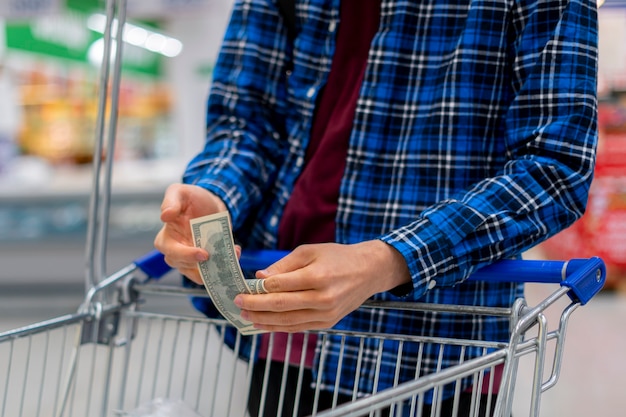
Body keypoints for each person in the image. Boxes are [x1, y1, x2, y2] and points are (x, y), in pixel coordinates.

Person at [154, 0, 599, 416]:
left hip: (438, 342)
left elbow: (554, 167)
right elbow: (246, 125)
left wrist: (386, 260)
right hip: (286, 317)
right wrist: (214, 196)